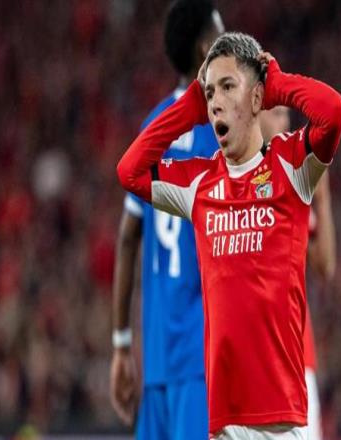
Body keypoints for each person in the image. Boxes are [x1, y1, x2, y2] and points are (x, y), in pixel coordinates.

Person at [117, 32, 341, 439]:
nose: (216, 102)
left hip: (283, 421)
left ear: (257, 99)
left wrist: (277, 84)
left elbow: (333, 111)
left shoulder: (290, 167)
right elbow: (129, 171)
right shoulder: (199, 184)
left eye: (227, 87)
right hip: (223, 423)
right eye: (210, 93)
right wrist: (188, 107)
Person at [109, 1, 224, 439]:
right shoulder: (222, 130)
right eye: (222, 34)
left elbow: (127, 238)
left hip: (156, 360)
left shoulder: (153, 125)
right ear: (205, 49)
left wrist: (122, 344)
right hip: (201, 358)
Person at [260, 107, 337, 440]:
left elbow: (325, 265)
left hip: (296, 358)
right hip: (253, 361)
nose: (285, 123)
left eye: (286, 116)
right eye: (277, 114)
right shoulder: (235, 179)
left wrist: (323, 197)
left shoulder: (294, 180)